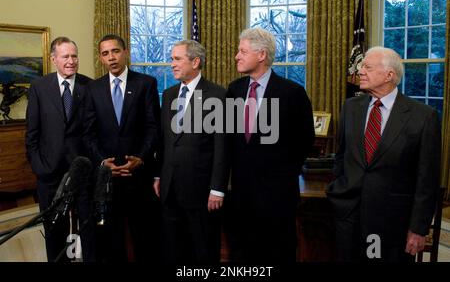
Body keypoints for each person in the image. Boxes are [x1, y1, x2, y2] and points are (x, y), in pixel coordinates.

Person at [327, 46, 441, 262]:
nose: (360, 71)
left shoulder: (423, 117)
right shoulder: (351, 107)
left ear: (389, 75)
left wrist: (418, 228)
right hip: (348, 216)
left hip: (392, 222)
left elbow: (427, 180)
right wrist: (338, 190)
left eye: (367, 67)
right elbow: (341, 156)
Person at [226, 28, 315, 262]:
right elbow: (230, 140)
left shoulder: (292, 93)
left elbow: (305, 141)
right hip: (240, 197)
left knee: (276, 253)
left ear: (262, 55)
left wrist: (280, 174)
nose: (237, 56)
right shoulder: (234, 90)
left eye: (243, 51)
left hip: (277, 198)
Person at [83, 34, 161, 262]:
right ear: (101, 58)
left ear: (125, 52)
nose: (111, 57)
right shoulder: (93, 89)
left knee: (145, 236)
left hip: (138, 174)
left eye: (115, 51)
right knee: (110, 238)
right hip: (107, 179)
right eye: (105, 53)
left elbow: (153, 128)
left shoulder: (145, 83)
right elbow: (88, 133)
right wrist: (102, 162)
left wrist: (141, 158)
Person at [153, 40, 228, 263]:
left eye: (177, 59)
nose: (172, 64)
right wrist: (158, 174)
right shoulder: (168, 94)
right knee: (174, 250)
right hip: (169, 187)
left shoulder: (218, 95)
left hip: (202, 190)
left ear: (195, 62)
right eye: (172, 59)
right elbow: (164, 140)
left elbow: (222, 147)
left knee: (202, 250)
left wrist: (218, 188)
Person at [25, 37, 95, 262]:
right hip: (49, 172)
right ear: (54, 59)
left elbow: (94, 130)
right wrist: (38, 166)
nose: (71, 61)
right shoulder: (39, 87)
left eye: (74, 56)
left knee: (88, 225)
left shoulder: (90, 86)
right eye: (66, 56)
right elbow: (32, 132)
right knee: (54, 228)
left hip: (82, 170)